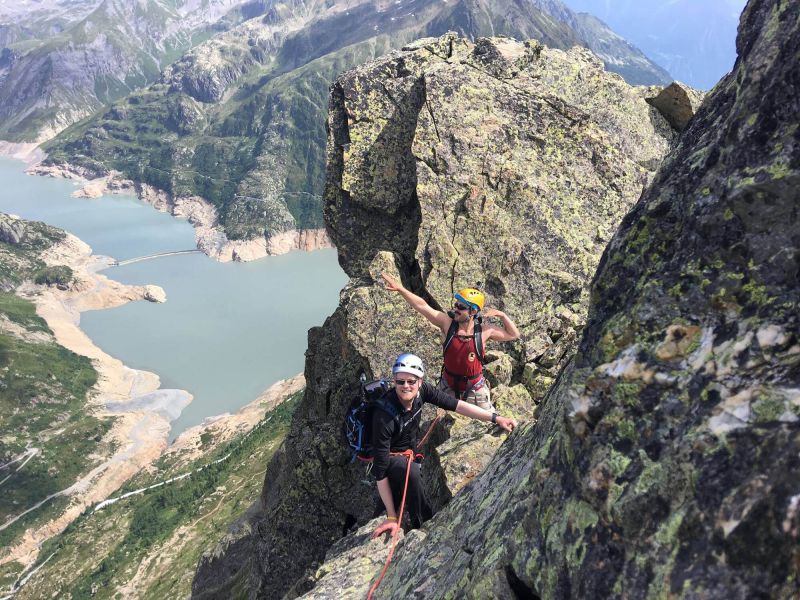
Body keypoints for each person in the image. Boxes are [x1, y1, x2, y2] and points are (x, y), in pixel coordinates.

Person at [371, 353, 517, 539]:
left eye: (411, 381)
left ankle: (392, 515)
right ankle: (422, 524)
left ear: (420, 381)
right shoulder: (383, 416)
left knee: (408, 476)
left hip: (409, 452)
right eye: (400, 382)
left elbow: (457, 405)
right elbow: (380, 470)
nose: (406, 386)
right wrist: (391, 517)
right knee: (410, 473)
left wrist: (495, 418)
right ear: (394, 381)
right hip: (391, 459)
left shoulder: (423, 392)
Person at [381, 273, 520, 410]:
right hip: (448, 388)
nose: (456, 309)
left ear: (473, 311)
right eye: (456, 305)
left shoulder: (484, 332)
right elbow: (422, 306)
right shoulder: (447, 324)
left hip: (475, 389)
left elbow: (513, 334)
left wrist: (502, 315)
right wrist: (400, 289)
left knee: (488, 421)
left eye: (461, 307)